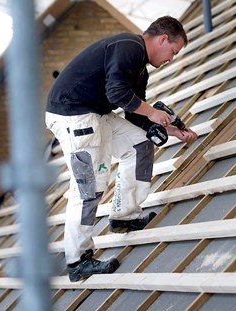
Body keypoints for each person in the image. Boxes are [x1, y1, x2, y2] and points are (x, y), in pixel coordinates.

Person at [45, 16, 198, 282]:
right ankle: (77, 260)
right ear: (163, 39)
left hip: (96, 113)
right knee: (88, 187)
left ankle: (124, 215)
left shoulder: (140, 68)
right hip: (74, 115)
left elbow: (134, 111)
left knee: (139, 145)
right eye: (173, 52)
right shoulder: (129, 46)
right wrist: (151, 112)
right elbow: (117, 94)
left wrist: (171, 129)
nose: (171, 59)